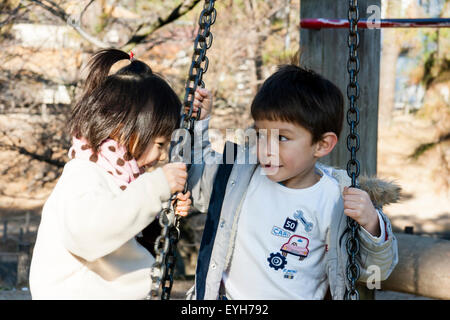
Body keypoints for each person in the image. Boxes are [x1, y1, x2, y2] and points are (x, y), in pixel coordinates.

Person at [186, 65, 399, 300]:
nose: (266, 149)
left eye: (282, 138)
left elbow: (374, 271)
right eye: (260, 134)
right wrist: (197, 123)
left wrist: (371, 224)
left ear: (322, 145)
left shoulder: (336, 198)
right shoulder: (239, 173)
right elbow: (196, 183)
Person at [29, 49, 192, 300]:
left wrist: (165, 211)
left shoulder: (121, 180)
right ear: (123, 129)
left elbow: (126, 238)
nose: (162, 157)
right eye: (160, 145)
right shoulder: (84, 175)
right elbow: (89, 236)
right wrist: (156, 187)